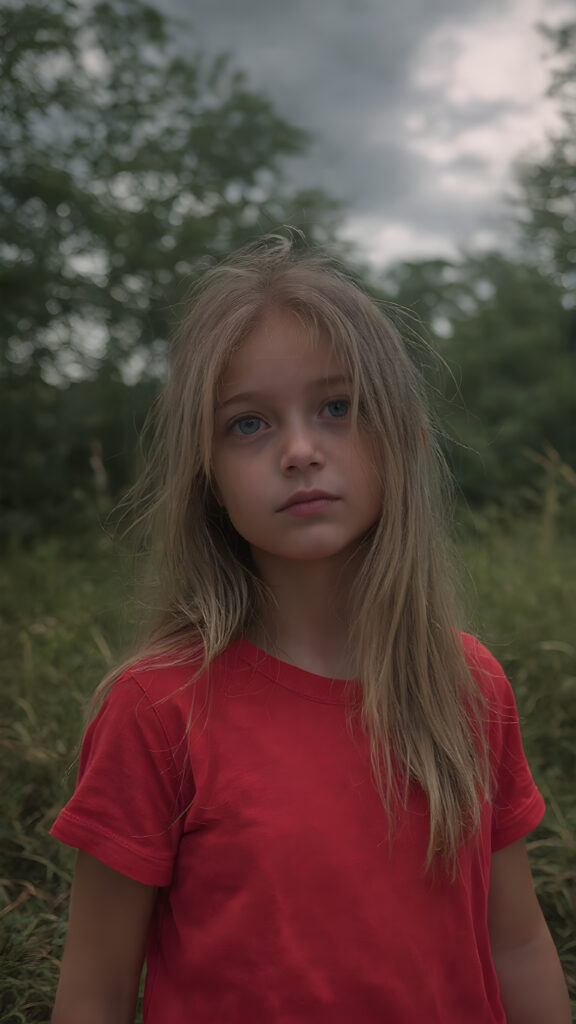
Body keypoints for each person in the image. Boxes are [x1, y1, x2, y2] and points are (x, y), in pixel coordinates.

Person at [50, 235, 571, 1024]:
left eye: (337, 408)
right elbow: (94, 995)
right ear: (208, 479)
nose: (299, 451)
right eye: (249, 425)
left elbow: (518, 947)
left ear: (403, 439)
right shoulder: (157, 709)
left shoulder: (470, 686)